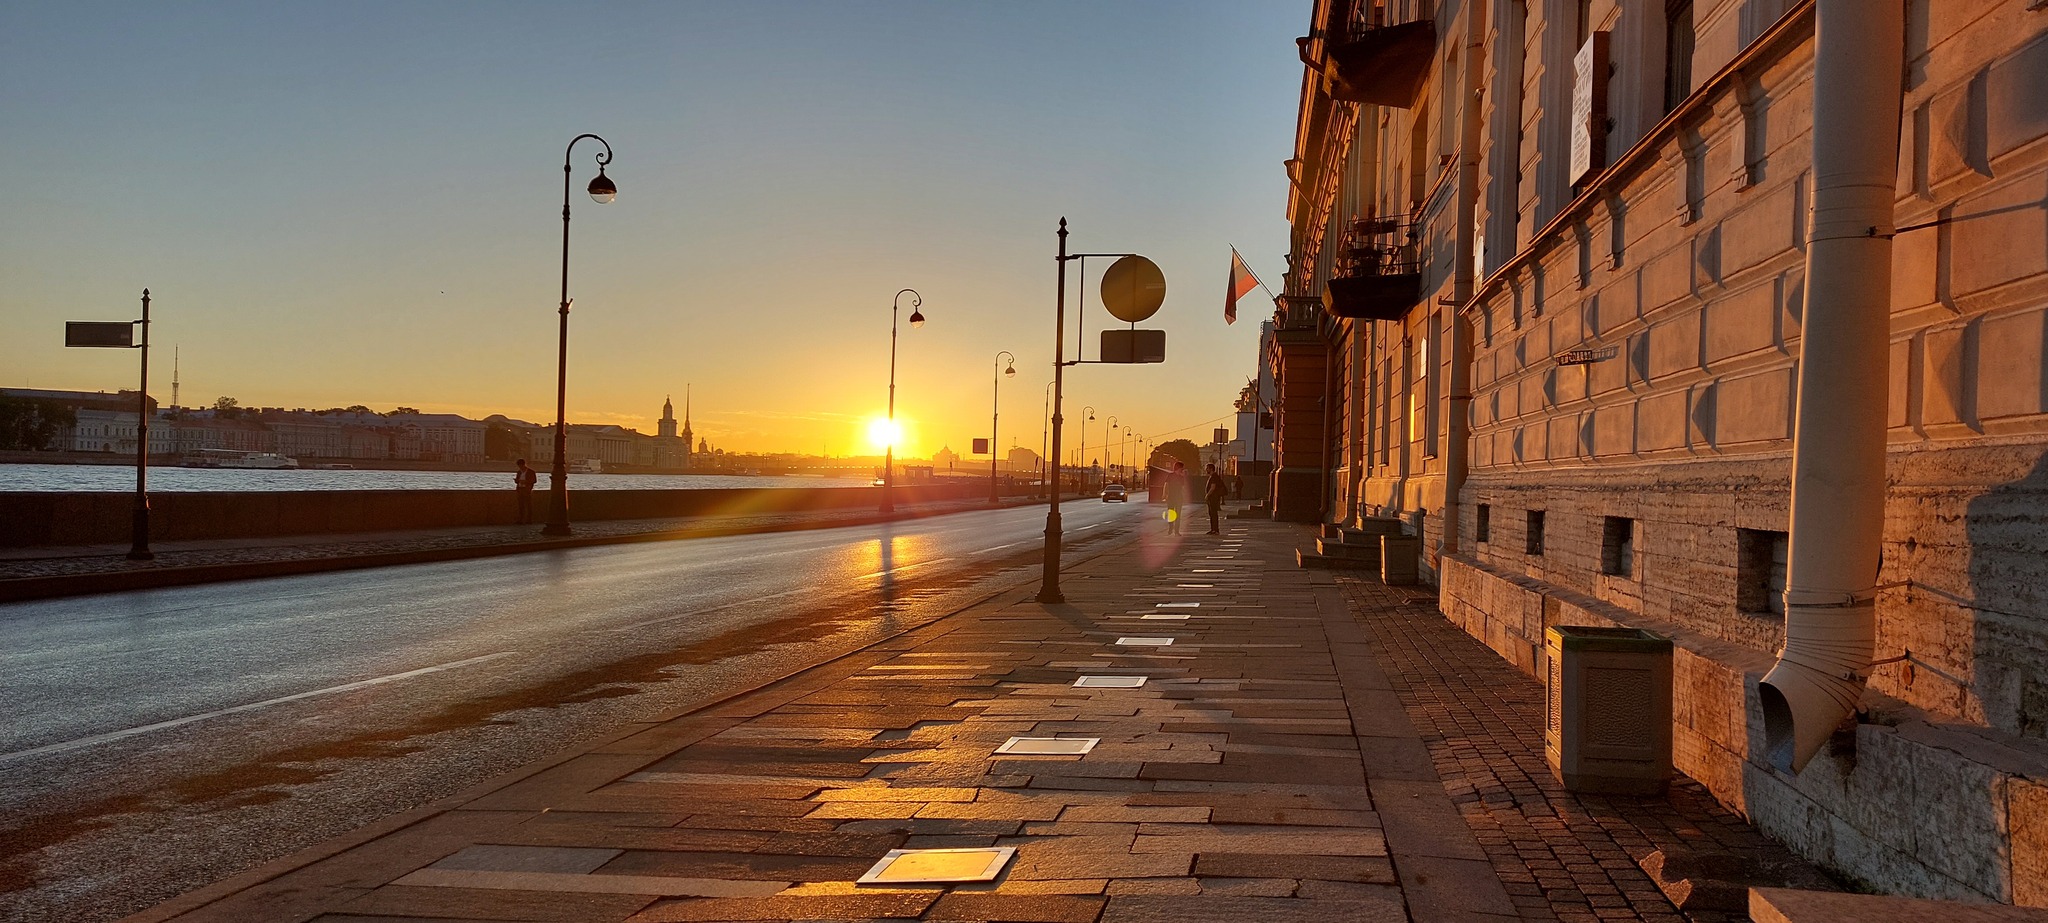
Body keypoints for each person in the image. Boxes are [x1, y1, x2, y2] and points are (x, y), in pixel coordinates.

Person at [1164, 460, 1188, 534]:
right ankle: (1171, 527)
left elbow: (1183, 487)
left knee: (1178, 515)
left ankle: (1176, 531)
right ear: (1178, 468)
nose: (1182, 470)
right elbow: (1166, 485)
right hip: (1171, 497)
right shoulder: (1170, 475)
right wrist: (1165, 494)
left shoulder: (1181, 477)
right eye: (1182, 468)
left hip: (1179, 497)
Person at [1204, 463, 1227, 535]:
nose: (1206, 470)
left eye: (1207, 468)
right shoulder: (1213, 476)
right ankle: (1213, 529)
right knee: (1212, 513)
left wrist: (1207, 495)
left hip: (1213, 497)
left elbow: (1213, 487)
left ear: (1211, 469)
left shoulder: (1214, 477)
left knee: (1213, 513)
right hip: (1213, 497)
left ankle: (1215, 529)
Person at [514, 458, 538, 523]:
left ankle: (529, 519)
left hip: (527, 490)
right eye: (519, 466)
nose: (520, 467)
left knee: (528, 505)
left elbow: (534, 481)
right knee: (521, 505)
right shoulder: (519, 472)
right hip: (520, 489)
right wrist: (517, 481)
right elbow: (517, 480)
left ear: (524, 464)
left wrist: (525, 482)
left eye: (520, 466)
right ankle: (521, 519)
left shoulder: (531, 472)